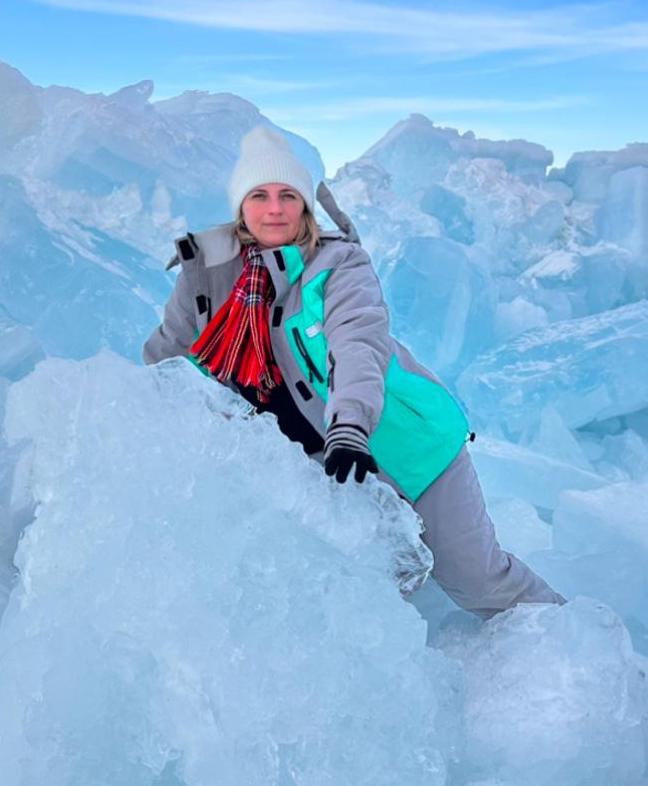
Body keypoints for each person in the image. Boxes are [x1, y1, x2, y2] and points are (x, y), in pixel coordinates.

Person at [143, 125, 565, 618]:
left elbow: (357, 345)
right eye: (259, 195)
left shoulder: (338, 264)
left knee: (479, 581)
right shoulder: (205, 280)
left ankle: (574, 643)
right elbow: (166, 365)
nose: (274, 208)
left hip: (405, 447)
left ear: (305, 207)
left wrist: (349, 426)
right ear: (241, 206)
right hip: (321, 473)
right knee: (344, 602)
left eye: (288, 195)